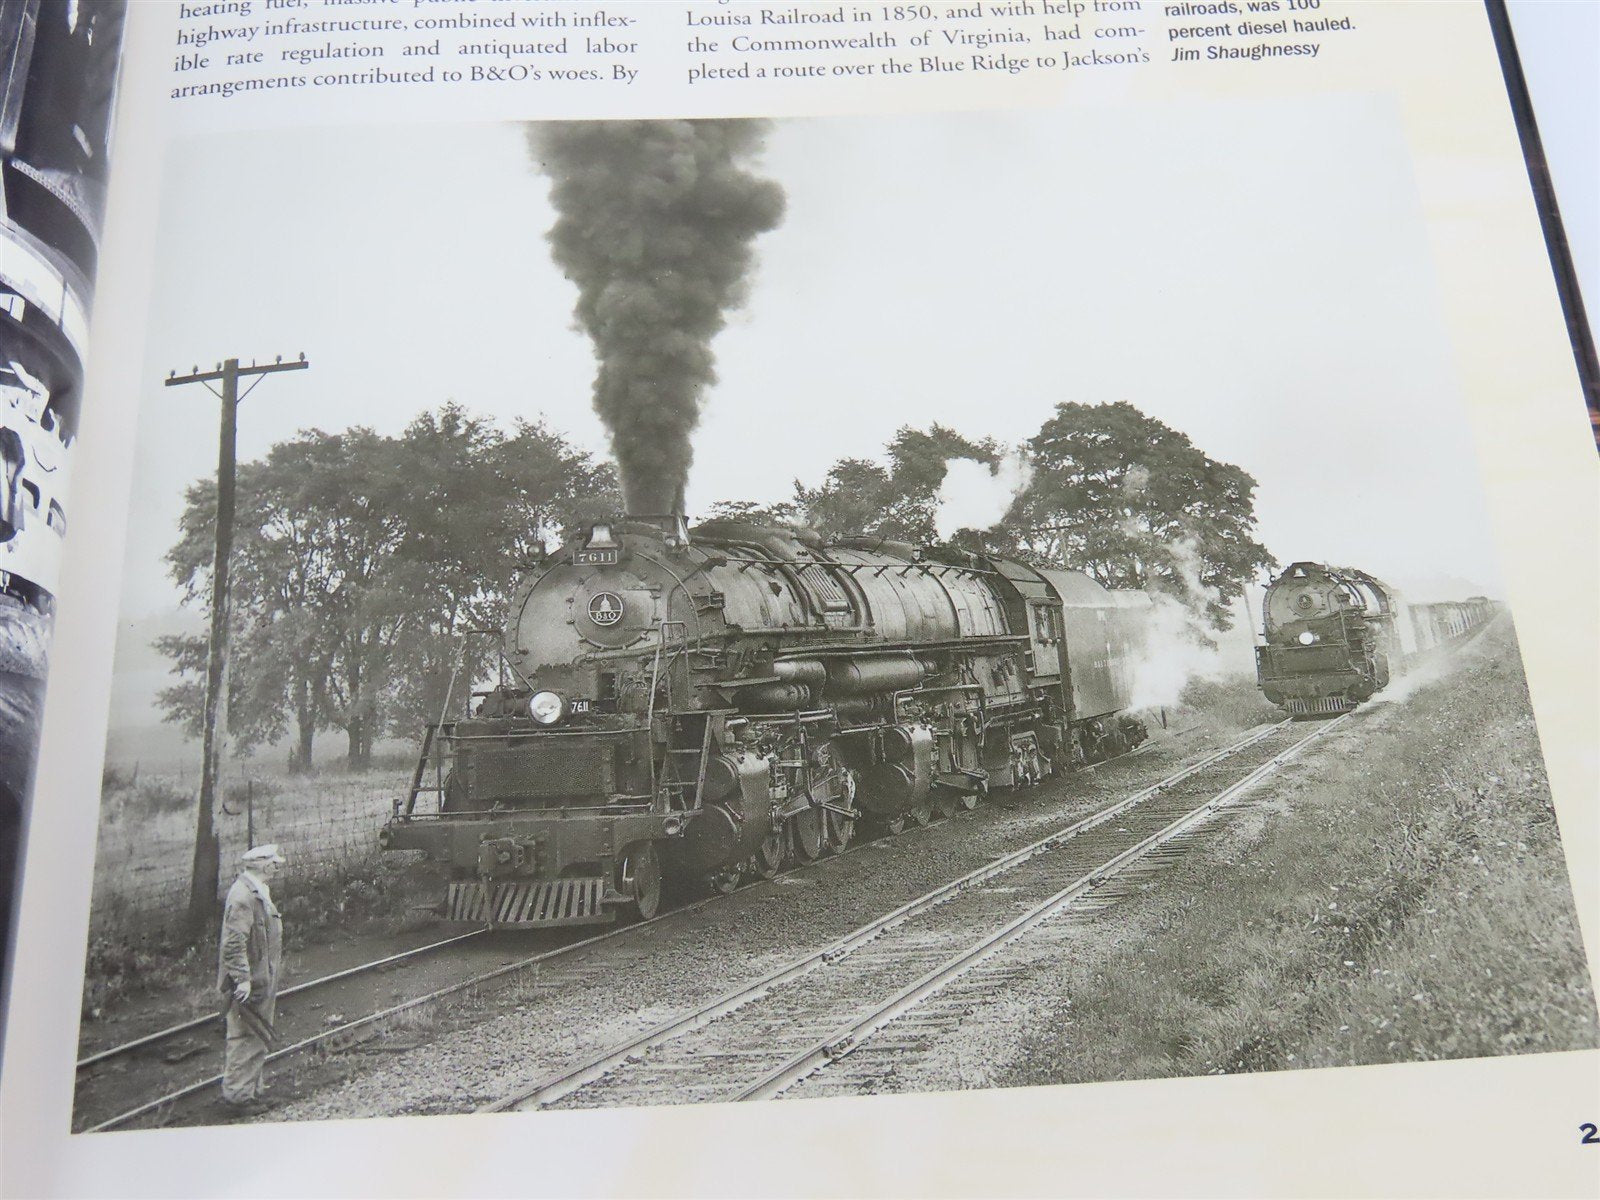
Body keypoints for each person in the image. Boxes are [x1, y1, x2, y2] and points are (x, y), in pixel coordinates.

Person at [216, 843, 285, 1116]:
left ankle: (250, 1092)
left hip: (260, 975)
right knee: (246, 1035)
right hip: (250, 980)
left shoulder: (255, 890)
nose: (277, 866)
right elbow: (234, 944)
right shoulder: (243, 896)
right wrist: (243, 979)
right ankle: (238, 1099)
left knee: (256, 1034)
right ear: (264, 865)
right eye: (274, 863)